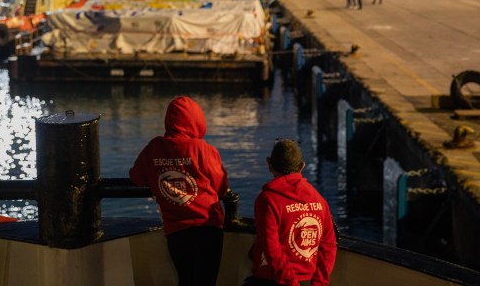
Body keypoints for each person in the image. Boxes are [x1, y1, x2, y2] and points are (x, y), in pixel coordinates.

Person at [129, 96, 230, 286]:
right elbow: (222, 186)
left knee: (186, 280)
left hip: (176, 232)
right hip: (207, 228)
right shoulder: (203, 149)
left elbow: (136, 177)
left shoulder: (154, 148)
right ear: (197, 121)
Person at [244, 139, 337, 286]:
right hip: (308, 281)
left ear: (269, 164)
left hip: (273, 279)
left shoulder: (267, 200)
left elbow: (272, 250)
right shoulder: (320, 201)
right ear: (302, 166)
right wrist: (319, 283)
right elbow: (329, 246)